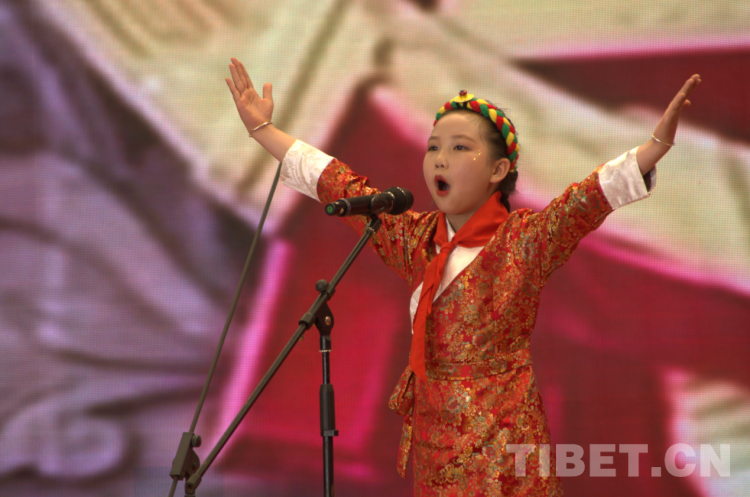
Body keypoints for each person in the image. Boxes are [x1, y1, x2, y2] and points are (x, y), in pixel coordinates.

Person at [225, 56, 700, 496]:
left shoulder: (525, 240)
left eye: (459, 148)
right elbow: (337, 182)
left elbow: (585, 200)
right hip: (436, 447)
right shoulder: (414, 238)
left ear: (498, 169)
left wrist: (653, 148)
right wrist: (264, 130)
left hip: (506, 449)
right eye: (433, 147)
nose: (439, 158)